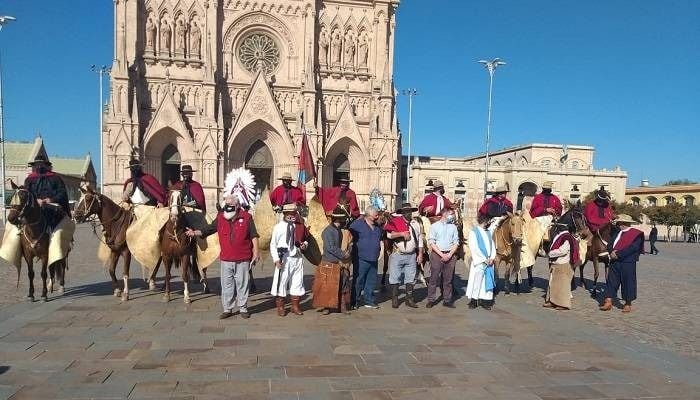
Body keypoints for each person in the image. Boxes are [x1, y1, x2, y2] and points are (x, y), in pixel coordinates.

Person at [185, 195, 260, 319]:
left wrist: (256, 252)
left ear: (237, 206)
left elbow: (254, 235)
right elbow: (208, 229)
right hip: (226, 259)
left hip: (243, 258)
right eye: (226, 205)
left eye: (230, 205)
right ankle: (228, 309)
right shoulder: (221, 217)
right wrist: (195, 232)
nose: (227, 207)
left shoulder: (247, 217)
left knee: (242, 284)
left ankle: (243, 308)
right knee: (227, 285)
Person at [270, 204, 309, 317]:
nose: (292, 215)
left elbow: (306, 238)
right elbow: (273, 244)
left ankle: (295, 306)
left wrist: (304, 245)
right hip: (284, 258)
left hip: (297, 257)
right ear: (284, 214)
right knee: (281, 281)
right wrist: (276, 259)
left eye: (294, 213)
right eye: (289, 213)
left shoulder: (300, 225)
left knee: (297, 281)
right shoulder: (278, 227)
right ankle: (281, 307)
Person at [600, 214, 644, 313]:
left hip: (628, 262)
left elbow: (633, 248)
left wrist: (618, 254)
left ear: (626, 223)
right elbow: (610, 243)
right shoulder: (617, 233)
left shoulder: (636, 234)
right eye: (619, 223)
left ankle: (628, 303)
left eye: (621, 223)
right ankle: (608, 301)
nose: (619, 224)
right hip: (615, 261)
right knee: (611, 281)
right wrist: (611, 252)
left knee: (628, 282)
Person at [312, 206, 352, 315]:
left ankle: (342, 306)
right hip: (329, 261)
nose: (345, 221)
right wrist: (343, 254)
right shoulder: (328, 231)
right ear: (338, 219)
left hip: (339, 262)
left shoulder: (339, 230)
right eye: (343, 219)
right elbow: (330, 247)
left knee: (343, 284)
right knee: (327, 286)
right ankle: (327, 307)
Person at [384, 203, 423, 308]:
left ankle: (409, 299)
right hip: (398, 254)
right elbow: (389, 235)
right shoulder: (396, 222)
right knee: (395, 277)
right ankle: (395, 298)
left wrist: (420, 254)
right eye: (406, 212)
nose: (408, 213)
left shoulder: (415, 223)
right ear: (402, 213)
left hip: (411, 255)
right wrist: (401, 234)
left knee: (410, 278)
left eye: (409, 211)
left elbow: (419, 240)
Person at [23, 154, 70, 228]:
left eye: (41, 164)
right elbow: (25, 194)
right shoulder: (29, 179)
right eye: (37, 164)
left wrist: (51, 199)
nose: (39, 166)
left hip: (53, 209)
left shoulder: (56, 178)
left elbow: (62, 192)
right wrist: (36, 200)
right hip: (34, 209)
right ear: (34, 166)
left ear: (46, 165)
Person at [349, 206, 383, 309]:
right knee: (358, 280)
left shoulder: (377, 226)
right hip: (361, 258)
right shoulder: (357, 224)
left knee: (371, 281)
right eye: (376, 214)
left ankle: (369, 300)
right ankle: (354, 301)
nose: (378, 216)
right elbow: (348, 235)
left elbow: (381, 239)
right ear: (369, 215)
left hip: (374, 258)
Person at [426, 208, 460, 308]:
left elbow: (456, 242)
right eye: (451, 214)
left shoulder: (453, 227)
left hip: (450, 254)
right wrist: (441, 254)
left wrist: (449, 254)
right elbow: (432, 242)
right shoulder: (434, 226)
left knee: (448, 279)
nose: (453, 216)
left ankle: (447, 300)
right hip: (437, 254)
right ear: (444, 214)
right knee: (434, 278)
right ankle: (431, 299)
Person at [543, 223, 580, 310]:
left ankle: (563, 304)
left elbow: (562, 251)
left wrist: (550, 253)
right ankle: (552, 302)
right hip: (557, 264)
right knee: (553, 285)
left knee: (563, 286)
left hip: (563, 264)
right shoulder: (562, 237)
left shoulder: (567, 238)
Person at [466, 213, 496, 310]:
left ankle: (485, 301)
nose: (489, 223)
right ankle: (474, 300)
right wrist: (484, 259)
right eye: (488, 221)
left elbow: (493, 247)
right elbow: (474, 248)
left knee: (487, 281)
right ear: (484, 221)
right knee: (477, 281)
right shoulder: (474, 232)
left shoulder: (488, 232)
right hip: (479, 262)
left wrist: (492, 258)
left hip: (489, 262)